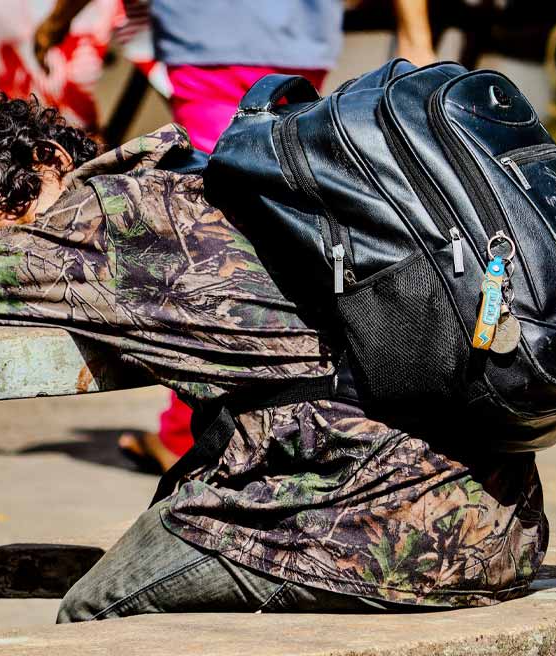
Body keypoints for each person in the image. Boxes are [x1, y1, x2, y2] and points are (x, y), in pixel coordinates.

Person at [0, 96, 547, 618]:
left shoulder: (90, 225)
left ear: (52, 158)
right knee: (170, 513)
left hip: (390, 529)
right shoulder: (194, 172)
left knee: (95, 610)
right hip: (498, 507)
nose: (10, 245)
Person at [35, 0, 437, 471]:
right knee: (272, 213)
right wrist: (416, 32)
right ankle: (276, 415)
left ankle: (191, 432)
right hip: (297, 35)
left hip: (210, 33)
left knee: (208, 226)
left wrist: (60, 19)